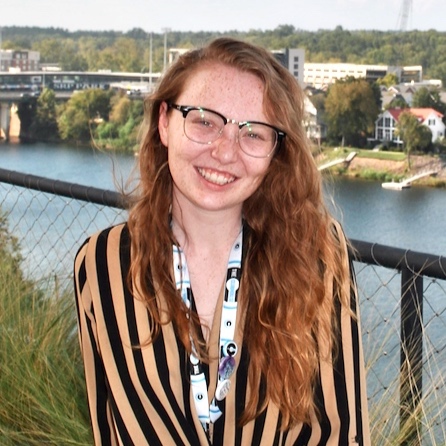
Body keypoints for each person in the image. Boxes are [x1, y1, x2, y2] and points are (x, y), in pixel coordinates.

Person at [74, 37, 370, 445]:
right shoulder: (101, 263)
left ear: (275, 152)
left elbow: (345, 429)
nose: (225, 152)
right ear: (164, 122)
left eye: (253, 133)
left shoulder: (315, 254)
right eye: (204, 121)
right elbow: (108, 426)